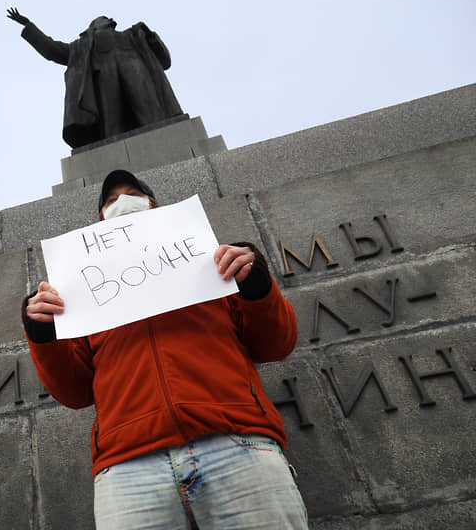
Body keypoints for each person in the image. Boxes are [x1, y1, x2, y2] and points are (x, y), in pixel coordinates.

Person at [22, 170, 307, 529]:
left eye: (133, 194)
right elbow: (74, 391)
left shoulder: (214, 261)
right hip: (128, 468)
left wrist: (255, 283)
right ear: (98, 224)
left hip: (236, 444)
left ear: (155, 205)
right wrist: (42, 331)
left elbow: (277, 344)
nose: (122, 203)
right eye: (111, 201)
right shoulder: (79, 295)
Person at [7, 8, 183, 148]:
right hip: (103, 77)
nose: (106, 19)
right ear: (90, 28)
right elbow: (52, 50)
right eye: (101, 18)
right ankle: (113, 149)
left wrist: (149, 36)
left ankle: (164, 140)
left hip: (135, 67)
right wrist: (29, 26)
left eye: (106, 18)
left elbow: (163, 60)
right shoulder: (81, 47)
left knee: (149, 110)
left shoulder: (131, 35)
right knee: (112, 123)